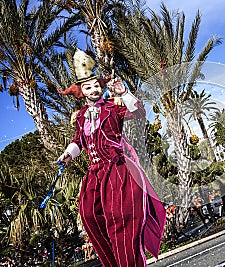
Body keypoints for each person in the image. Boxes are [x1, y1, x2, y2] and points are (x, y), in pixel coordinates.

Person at [57, 49, 166, 266]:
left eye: (97, 85)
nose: (94, 89)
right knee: (89, 216)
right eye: (88, 86)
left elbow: (138, 113)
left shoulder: (113, 108)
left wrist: (124, 92)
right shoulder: (79, 117)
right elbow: (79, 140)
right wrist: (68, 154)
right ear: (80, 91)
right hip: (95, 174)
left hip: (118, 170)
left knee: (121, 220)